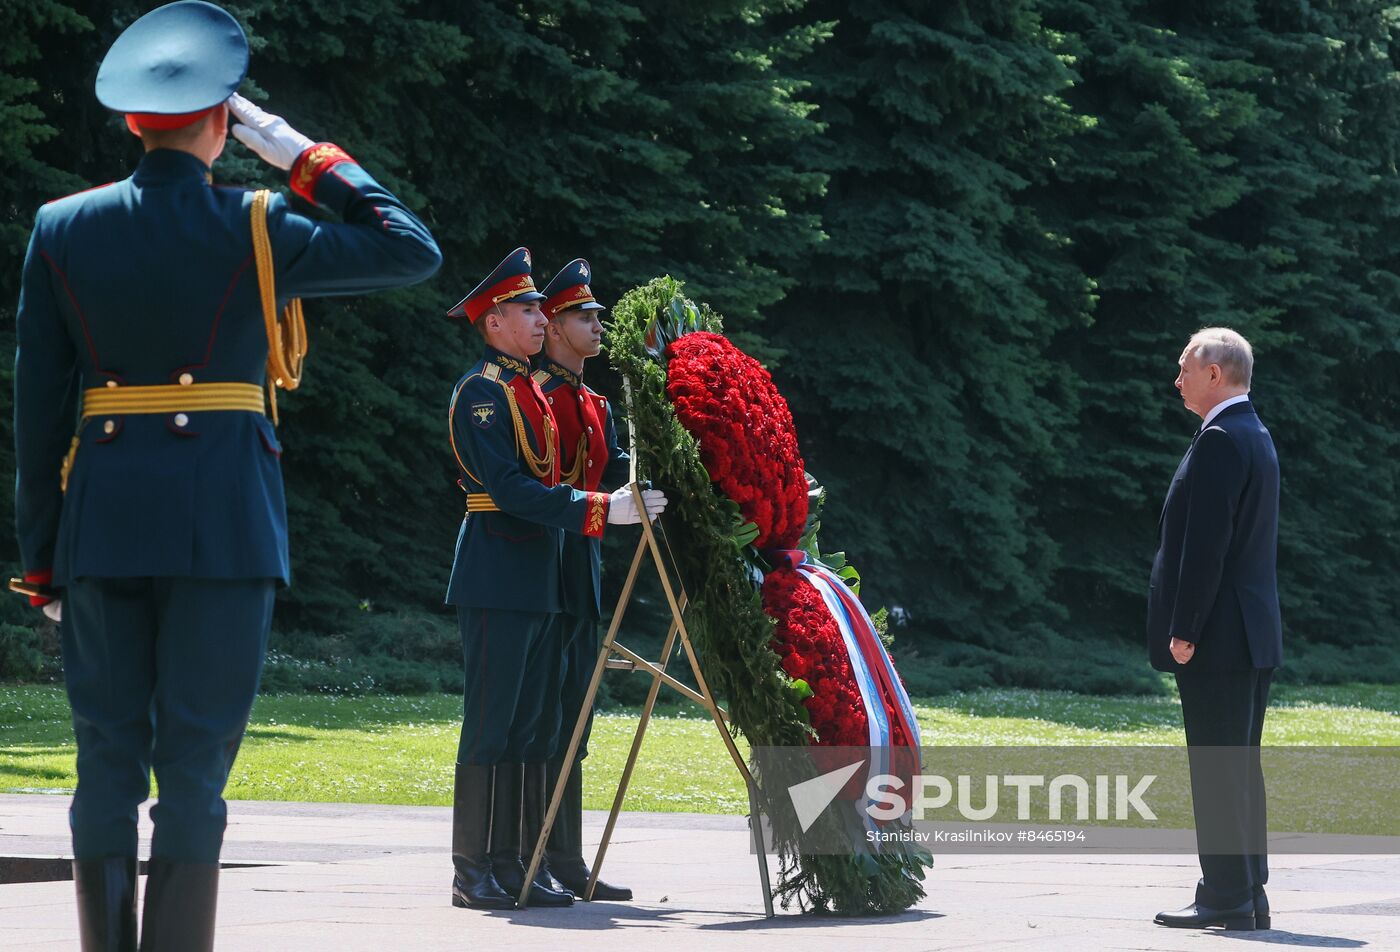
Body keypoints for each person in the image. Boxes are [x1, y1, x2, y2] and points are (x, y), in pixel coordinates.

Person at [11, 3, 441, 948]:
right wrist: (298, 153)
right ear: (222, 120)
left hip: (103, 525)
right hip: (225, 526)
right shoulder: (259, 223)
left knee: (105, 765)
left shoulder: (61, 227)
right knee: (195, 771)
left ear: (132, 121)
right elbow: (410, 248)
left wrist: (43, 557)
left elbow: (37, 415)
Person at [443, 249, 664, 910]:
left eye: (543, 308)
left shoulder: (530, 392)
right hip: (497, 567)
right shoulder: (482, 393)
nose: (541, 319)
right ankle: (470, 867)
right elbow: (511, 489)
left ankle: (514, 861)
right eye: (528, 309)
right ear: (494, 323)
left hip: (538, 570)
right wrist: (601, 509)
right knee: (491, 723)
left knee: (532, 726)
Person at [1148, 328, 1282, 932]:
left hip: (1220, 635)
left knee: (1217, 764)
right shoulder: (1253, 433)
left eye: (1183, 369)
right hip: (1249, 632)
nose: (1176, 380)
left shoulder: (1222, 439)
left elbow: (1207, 549)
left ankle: (1225, 895)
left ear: (1214, 374)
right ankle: (1245, 890)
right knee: (1238, 763)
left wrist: (1185, 627)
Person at [531, 258, 633, 900]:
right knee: (540, 720)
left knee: (576, 721)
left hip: (582, 571)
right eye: (583, 317)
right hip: (541, 565)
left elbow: (618, 472)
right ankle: (531, 855)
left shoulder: (595, 402)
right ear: (554, 327)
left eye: (597, 316)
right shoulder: (534, 394)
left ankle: (565, 858)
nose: (598, 326)